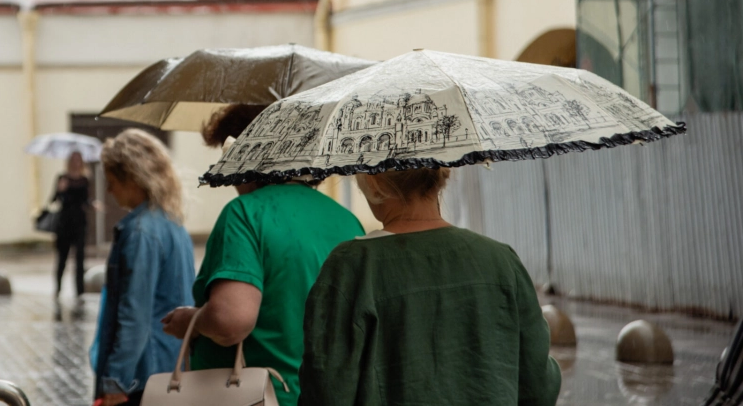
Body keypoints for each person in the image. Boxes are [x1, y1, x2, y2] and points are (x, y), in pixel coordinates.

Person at [299, 167, 561, 406]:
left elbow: (326, 391)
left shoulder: (350, 267)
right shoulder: (502, 261)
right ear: (443, 174)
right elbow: (539, 387)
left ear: (374, 181)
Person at [161, 104, 365, 406]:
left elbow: (232, 321)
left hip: (259, 396)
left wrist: (191, 321)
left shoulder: (245, 214)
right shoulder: (347, 220)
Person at [91, 129, 195, 406]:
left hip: (142, 377)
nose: (109, 190)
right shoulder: (173, 224)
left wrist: (115, 380)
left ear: (133, 178)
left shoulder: (141, 232)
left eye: (112, 181)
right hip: (171, 367)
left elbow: (134, 315)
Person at [52, 151, 91, 298]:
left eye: (78, 160)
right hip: (64, 224)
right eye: (73, 160)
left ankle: (80, 291)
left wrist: (93, 204)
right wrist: (60, 190)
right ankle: (58, 289)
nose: (76, 162)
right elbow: (54, 200)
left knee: (80, 259)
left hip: (80, 223)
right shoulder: (62, 178)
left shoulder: (85, 180)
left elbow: (86, 200)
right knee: (62, 258)